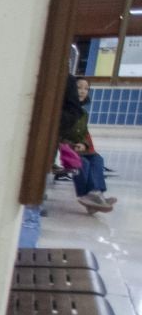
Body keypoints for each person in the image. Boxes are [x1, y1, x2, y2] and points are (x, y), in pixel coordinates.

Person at [60, 74, 116, 214]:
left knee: (97, 159)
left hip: (79, 148)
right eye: (78, 87)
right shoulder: (63, 111)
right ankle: (87, 195)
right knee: (82, 162)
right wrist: (73, 145)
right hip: (66, 148)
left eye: (86, 88)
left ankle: (96, 192)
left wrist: (84, 144)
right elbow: (59, 134)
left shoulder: (83, 113)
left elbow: (84, 133)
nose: (83, 91)